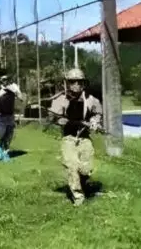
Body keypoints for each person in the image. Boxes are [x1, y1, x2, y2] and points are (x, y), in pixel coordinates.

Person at [48, 68, 103, 206]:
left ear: (84, 83)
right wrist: (60, 120)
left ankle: (82, 183)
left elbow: (98, 113)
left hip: (84, 137)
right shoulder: (61, 100)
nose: (76, 85)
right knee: (72, 166)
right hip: (69, 138)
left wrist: (95, 122)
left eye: (79, 82)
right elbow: (52, 117)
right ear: (67, 83)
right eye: (73, 82)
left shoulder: (90, 99)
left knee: (86, 169)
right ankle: (78, 197)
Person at [0, 68, 23, 162]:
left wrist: (14, 91)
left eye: (7, 79)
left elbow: (21, 98)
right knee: (2, 136)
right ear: (0, 79)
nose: (5, 81)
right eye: (3, 79)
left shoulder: (14, 86)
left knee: (9, 137)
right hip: (0, 116)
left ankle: (5, 155)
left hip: (10, 115)